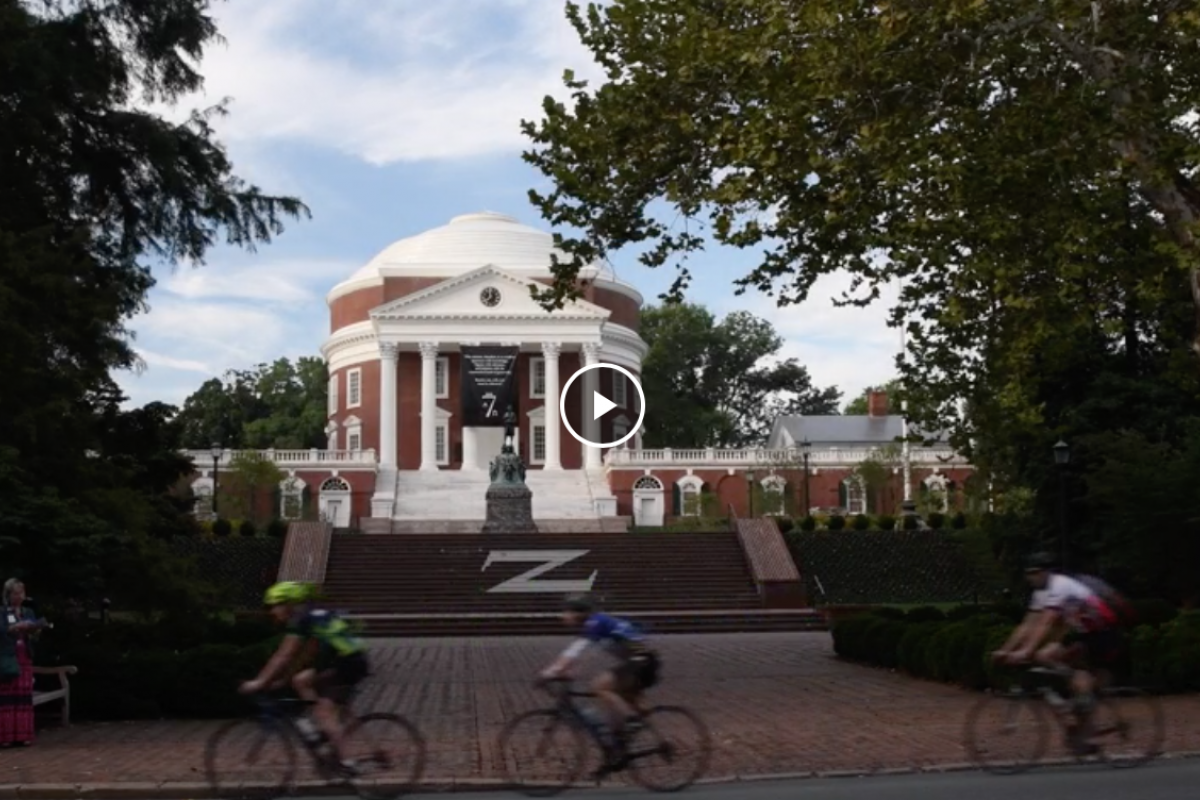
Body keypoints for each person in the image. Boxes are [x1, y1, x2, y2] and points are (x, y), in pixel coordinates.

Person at [992, 553, 1126, 752]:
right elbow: (1027, 625)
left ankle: (1085, 732)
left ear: (1047, 572)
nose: (1031, 577)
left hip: (1102, 631)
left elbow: (1046, 622)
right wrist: (1006, 649)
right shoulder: (1040, 592)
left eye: (1035, 573)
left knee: (1079, 679)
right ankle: (1073, 708)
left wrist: (1025, 651)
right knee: (1043, 656)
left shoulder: (1060, 585)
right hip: (1081, 632)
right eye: (1028, 573)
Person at [240, 581, 369, 771]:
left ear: (288, 604)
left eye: (275, 606)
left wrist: (259, 682)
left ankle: (347, 762)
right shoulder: (313, 616)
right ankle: (320, 732)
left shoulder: (300, 620)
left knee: (325, 713)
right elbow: (308, 653)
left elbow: (283, 655)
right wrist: (283, 680)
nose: (272, 611)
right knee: (300, 680)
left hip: (348, 663)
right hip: (346, 659)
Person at [539, 595, 660, 755]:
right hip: (643, 662)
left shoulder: (595, 622)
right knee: (622, 703)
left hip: (640, 662)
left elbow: (576, 650)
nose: (562, 616)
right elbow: (588, 653)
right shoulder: (598, 623)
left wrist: (551, 671)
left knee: (600, 686)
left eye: (566, 612)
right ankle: (621, 749)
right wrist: (570, 670)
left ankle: (631, 722)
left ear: (579, 613)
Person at [0, 579, 47, 748]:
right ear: (8, 594)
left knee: (23, 697)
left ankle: (23, 735)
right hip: (7, 657)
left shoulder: (28, 612)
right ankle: (5, 736)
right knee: (7, 697)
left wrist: (35, 630)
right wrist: (12, 628)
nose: (19, 596)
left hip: (25, 657)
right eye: (15, 593)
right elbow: (2, 630)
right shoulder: (3, 612)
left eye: (21, 592)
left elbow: (34, 636)